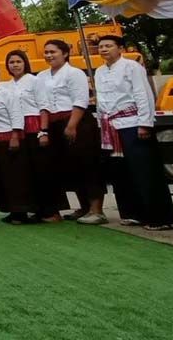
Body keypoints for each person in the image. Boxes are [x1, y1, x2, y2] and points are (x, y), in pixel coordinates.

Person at [95, 35, 173, 230]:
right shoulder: (99, 71)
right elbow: (101, 99)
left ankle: (158, 217)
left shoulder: (132, 67)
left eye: (108, 46)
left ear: (120, 48)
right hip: (111, 125)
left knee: (144, 170)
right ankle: (132, 213)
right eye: (101, 47)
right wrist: (101, 124)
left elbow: (142, 94)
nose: (104, 49)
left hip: (132, 122)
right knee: (121, 171)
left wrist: (145, 123)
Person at [38, 40, 107, 225]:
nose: (49, 55)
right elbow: (42, 104)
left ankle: (96, 209)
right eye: (46, 52)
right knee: (70, 167)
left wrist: (71, 125)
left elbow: (80, 100)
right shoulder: (42, 76)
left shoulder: (74, 73)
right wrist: (44, 129)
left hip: (77, 122)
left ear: (65, 53)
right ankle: (83, 206)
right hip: (54, 123)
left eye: (53, 51)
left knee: (87, 164)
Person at [6, 50, 61, 222]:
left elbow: (44, 106)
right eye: (11, 62)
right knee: (25, 173)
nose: (15, 65)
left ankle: (52, 211)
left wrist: (43, 131)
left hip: (34, 128)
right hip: (17, 130)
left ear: (25, 63)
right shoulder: (6, 85)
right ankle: (33, 209)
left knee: (43, 170)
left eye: (18, 61)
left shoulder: (35, 81)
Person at [0, 63, 33, 225]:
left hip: (9, 138)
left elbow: (16, 114)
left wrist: (15, 135)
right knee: (3, 177)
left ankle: (21, 212)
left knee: (15, 177)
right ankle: (11, 210)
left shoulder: (7, 93)